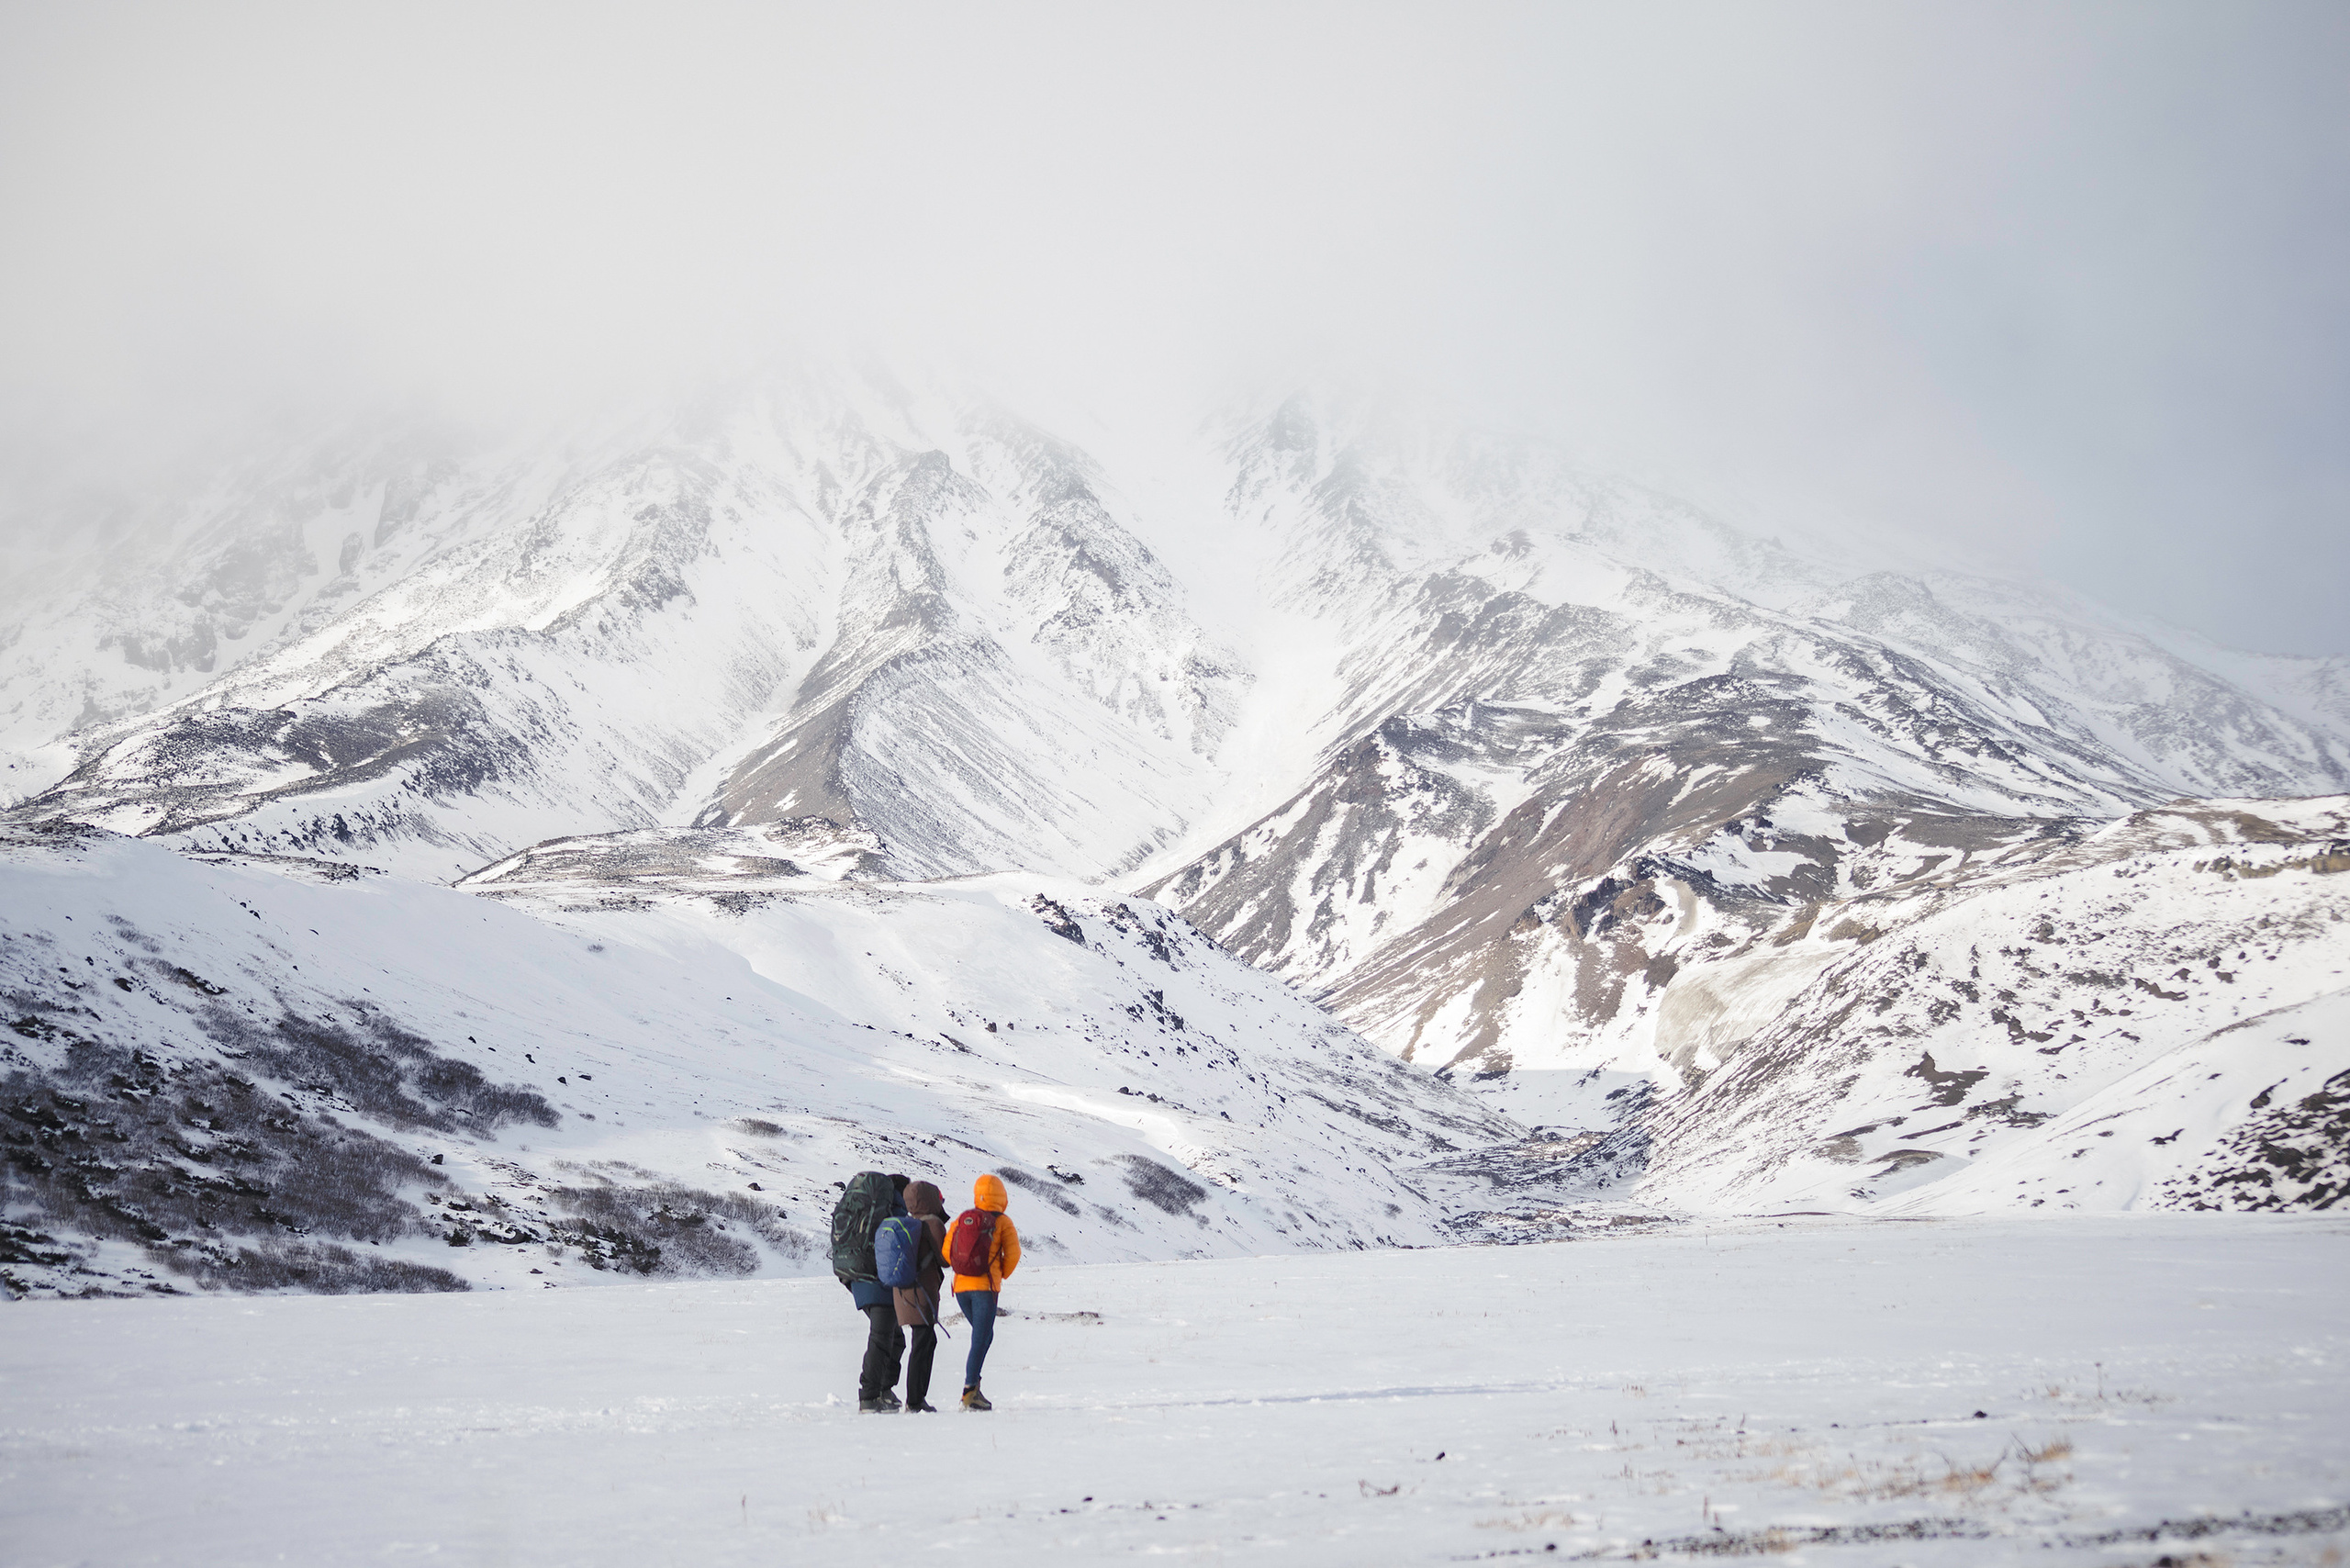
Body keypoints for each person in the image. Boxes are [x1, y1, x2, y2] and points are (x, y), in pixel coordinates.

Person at [946, 1172, 1021, 1411]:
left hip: (960, 1289)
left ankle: (974, 1388)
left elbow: (947, 1252)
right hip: (985, 1289)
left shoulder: (962, 1219)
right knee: (981, 1337)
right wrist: (1000, 1275)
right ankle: (969, 1392)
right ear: (1002, 1196)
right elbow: (1014, 1254)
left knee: (984, 1336)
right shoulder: (1002, 1222)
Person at [846, 1172, 909, 1413]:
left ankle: (884, 1390)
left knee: (894, 1338)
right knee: (882, 1338)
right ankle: (870, 1396)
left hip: (853, 1273)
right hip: (876, 1277)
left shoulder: (870, 1207)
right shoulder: (894, 1209)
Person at [893, 1180, 951, 1412]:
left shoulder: (908, 1221)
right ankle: (916, 1400)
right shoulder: (933, 1223)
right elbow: (945, 1260)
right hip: (923, 1292)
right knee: (923, 1343)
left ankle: (915, 1398)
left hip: (903, 1291)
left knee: (924, 1341)